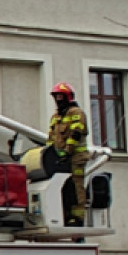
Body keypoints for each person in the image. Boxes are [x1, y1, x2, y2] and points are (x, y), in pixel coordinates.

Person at [46, 82, 90, 223]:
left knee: (76, 185)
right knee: (63, 187)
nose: (58, 99)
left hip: (76, 157)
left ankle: (77, 217)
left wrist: (67, 151)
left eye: (61, 96)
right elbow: (51, 137)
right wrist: (48, 154)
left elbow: (76, 134)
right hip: (60, 158)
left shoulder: (76, 113)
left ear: (67, 97)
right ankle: (65, 215)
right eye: (56, 96)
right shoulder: (55, 117)